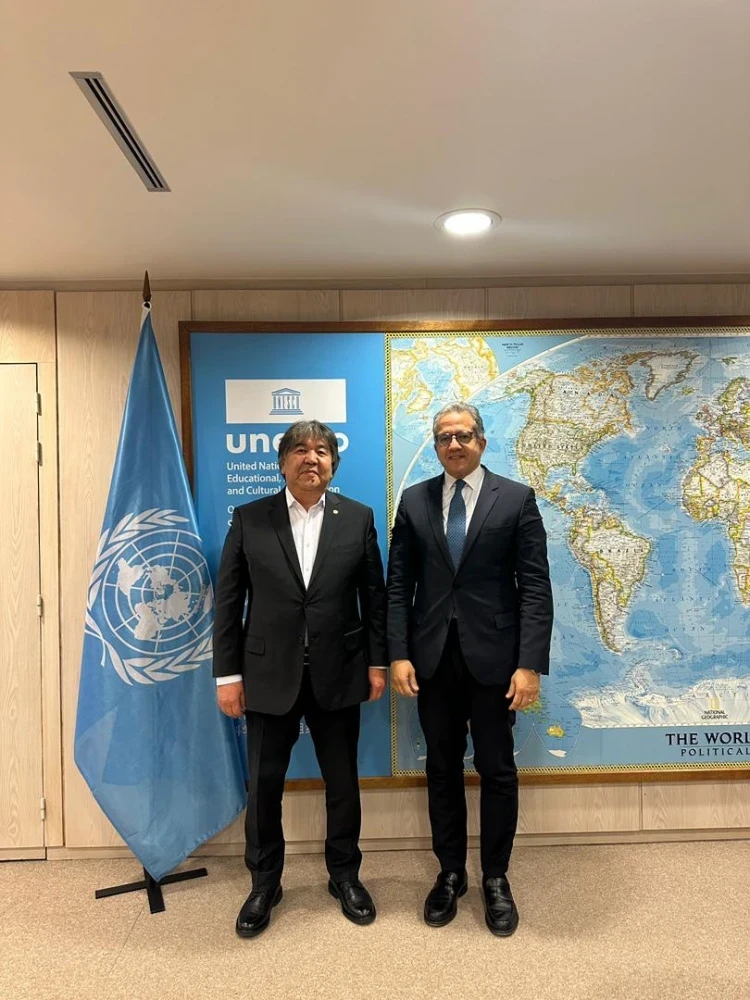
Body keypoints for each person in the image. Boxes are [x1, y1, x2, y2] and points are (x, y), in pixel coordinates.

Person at [213, 420, 387, 938]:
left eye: (323, 450)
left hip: (339, 672)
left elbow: (374, 598)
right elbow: (228, 602)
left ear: (333, 463)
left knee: (342, 783)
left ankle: (345, 875)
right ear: (282, 462)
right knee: (265, 785)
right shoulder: (250, 518)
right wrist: (227, 675)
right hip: (268, 674)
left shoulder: (357, 517)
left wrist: (377, 663)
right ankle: (265, 883)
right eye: (301, 450)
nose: (312, 458)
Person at [387, 402, 553, 936]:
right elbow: (398, 585)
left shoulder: (517, 499)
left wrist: (529, 664)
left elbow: (535, 587)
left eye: (462, 435)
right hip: (432, 660)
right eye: (443, 437)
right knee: (441, 768)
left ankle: (496, 877)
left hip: (496, 662)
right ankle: (451, 873)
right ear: (436, 446)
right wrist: (398, 652)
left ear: (481, 441)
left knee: (497, 770)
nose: (453, 444)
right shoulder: (414, 501)